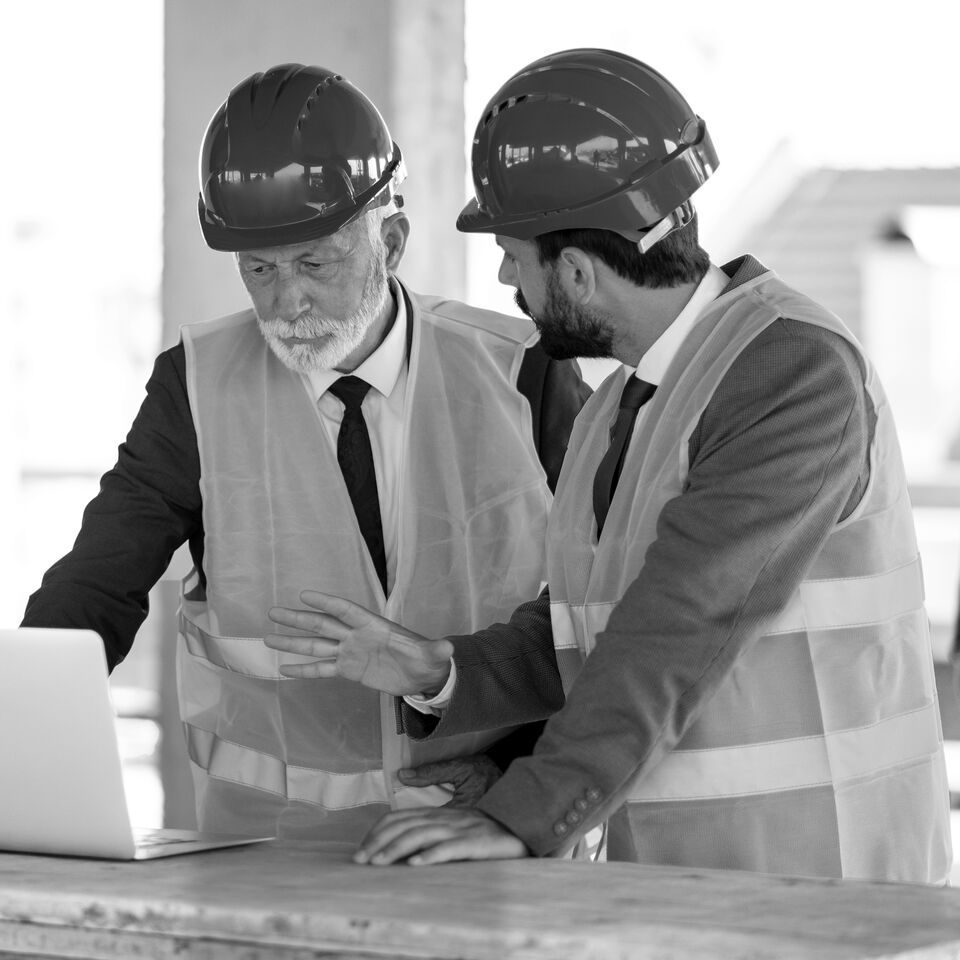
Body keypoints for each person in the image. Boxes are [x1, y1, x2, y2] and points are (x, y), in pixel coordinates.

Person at [265, 49, 953, 882]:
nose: (504, 280)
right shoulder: (620, 404)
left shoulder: (793, 372)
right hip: (676, 887)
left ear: (579, 271)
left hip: (822, 885)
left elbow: (681, 621)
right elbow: (583, 625)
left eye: (515, 259)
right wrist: (440, 668)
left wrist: (524, 814)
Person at [20, 63, 590, 842]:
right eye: (259, 269)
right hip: (268, 853)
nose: (285, 301)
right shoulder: (195, 386)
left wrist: (527, 771)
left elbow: (600, 603)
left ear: (389, 240)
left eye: (314, 263)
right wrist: (22, 730)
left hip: (484, 836)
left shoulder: (524, 371)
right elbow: (99, 582)